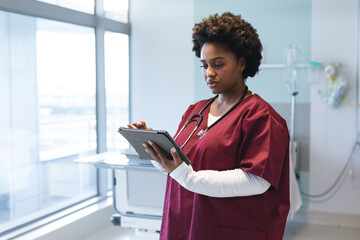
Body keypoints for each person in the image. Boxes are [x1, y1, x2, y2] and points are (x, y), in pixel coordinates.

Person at [128, 12, 289, 240]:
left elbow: (257, 180)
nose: (209, 73)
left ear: (242, 63)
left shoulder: (260, 116)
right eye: (204, 65)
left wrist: (188, 177)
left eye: (218, 64)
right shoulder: (195, 111)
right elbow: (178, 166)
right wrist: (155, 150)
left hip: (226, 227)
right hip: (183, 220)